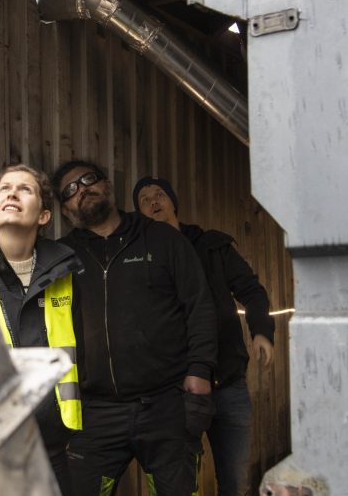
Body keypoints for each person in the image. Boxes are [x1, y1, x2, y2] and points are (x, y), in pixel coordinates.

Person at [51, 160, 217, 496]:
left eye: (88, 179)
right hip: (95, 411)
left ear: (108, 185)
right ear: (66, 211)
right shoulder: (61, 258)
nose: (82, 189)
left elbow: (199, 305)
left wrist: (200, 370)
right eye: (70, 190)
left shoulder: (162, 238)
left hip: (166, 404)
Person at [133, 176, 276, 496]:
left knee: (235, 482)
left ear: (173, 202)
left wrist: (262, 332)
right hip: (176, 391)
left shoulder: (212, 245)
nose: (154, 201)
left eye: (160, 194)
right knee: (181, 485)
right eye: (144, 199)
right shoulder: (141, 258)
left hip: (228, 382)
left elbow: (251, 291)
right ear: (139, 214)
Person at [0, 164, 84, 495]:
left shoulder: (65, 274)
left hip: (52, 447)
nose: (13, 193)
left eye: (25, 189)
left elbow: (79, 352)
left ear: (44, 216)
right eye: (5, 188)